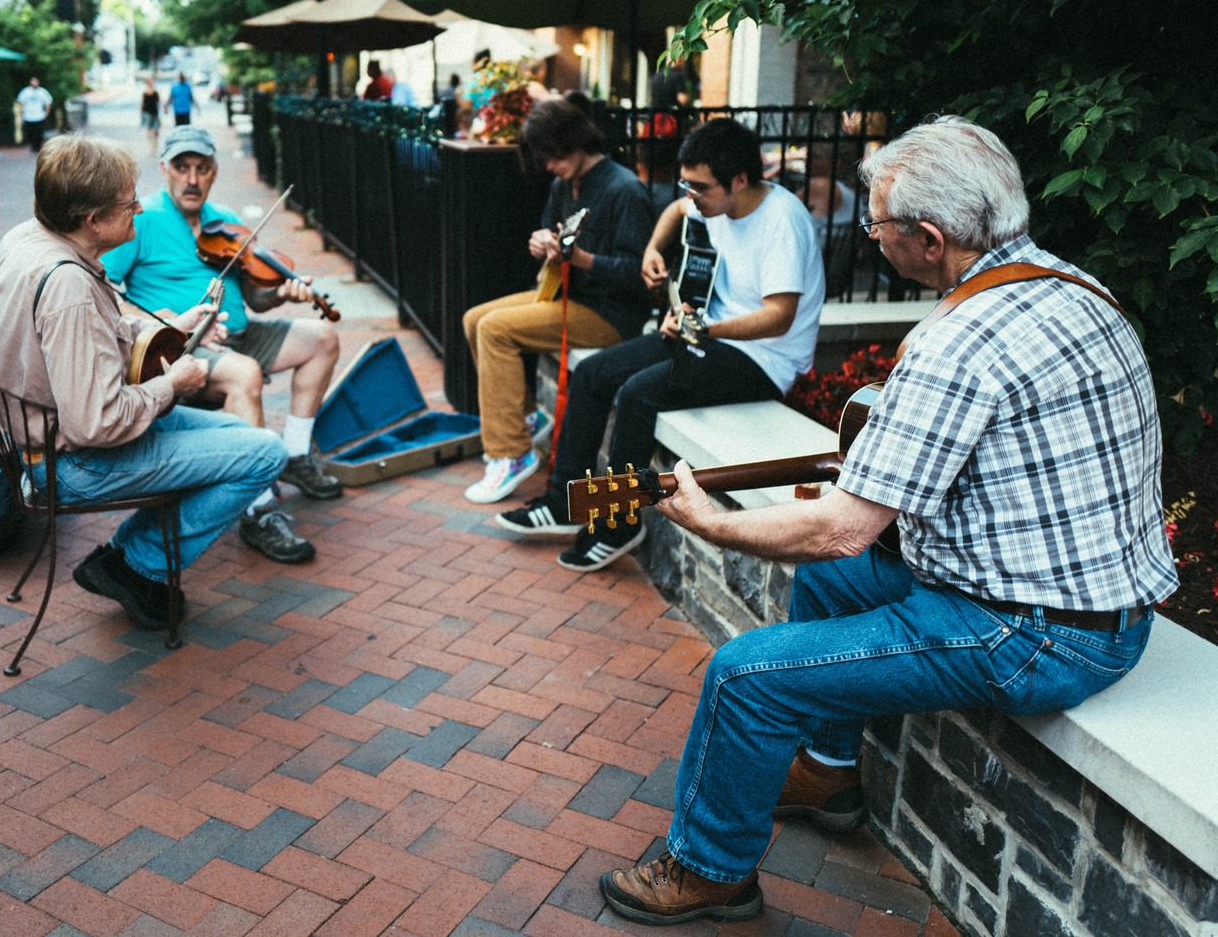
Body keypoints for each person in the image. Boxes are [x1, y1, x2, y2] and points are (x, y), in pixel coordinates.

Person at [598, 116, 1176, 926]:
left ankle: (711, 871)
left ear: (931, 238)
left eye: (877, 226)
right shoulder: (1072, 286)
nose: (871, 239)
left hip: (1036, 632)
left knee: (746, 674)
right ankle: (832, 771)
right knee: (834, 584)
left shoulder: (958, 342)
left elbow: (841, 527)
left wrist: (709, 521)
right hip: (1105, 606)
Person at [0, 133, 287, 630]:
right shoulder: (70, 288)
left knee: (246, 438)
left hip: (49, 439)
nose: (141, 209)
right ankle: (135, 565)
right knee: (267, 456)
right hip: (71, 462)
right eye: (128, 203)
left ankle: (125, 558)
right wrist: (174, 384)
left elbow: (84, 337)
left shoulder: (28, 238)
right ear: (93, 220)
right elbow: (96, 424)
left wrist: (167, 328)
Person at [498, 118, 824, 572]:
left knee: (638, 392)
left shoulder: (782, 222)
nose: (690, 195)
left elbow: (779, 317)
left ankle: (619, 523)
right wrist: (653, 249)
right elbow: (674, 212)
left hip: (763, 359)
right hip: (706, 333)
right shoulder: (715, 203)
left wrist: (705, 330)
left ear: (741, 180)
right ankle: (564, 503)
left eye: (699, 187)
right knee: (592, 374)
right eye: (685, 184)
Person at [100, 125, 343, 565]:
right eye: (181, 167)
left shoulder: (226, 219)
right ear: (164, 170)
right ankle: (258, 510)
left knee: (322, 338)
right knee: (244, 373)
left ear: (213, 173)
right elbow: (107, 292)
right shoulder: (143, 220)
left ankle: (294, 453)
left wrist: (282, 292)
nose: (192, 179)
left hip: (241, 333)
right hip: (183, 347)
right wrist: (171, 323)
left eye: (202, 168)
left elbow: (256, 297)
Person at [460, 97, 653, 504]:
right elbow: (553, 234)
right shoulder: (564, 183)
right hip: (567, 296)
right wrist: (541, 242)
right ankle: (523, 420)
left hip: (610, 314)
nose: (548, 165)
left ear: (576, 140)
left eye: (553, 155)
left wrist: (581, 259)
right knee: (474, 318)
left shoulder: (626, 190)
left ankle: (511, 453)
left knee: (494, 329)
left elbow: (641, 278)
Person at [17, 76, 53, 153]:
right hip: (29, 116)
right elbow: (21, 103)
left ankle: (38, 147)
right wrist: (21, 114)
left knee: (39, 132)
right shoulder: (26, 92)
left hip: (39, 116)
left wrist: (46, 113)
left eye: (35, 81)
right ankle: (33, 146)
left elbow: (48, 102)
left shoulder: (42, 92)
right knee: (31, 132)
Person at [141, 79, 162, 155]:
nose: (151, 82)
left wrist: (163, 108)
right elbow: (142, 103)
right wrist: (141, 113)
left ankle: (155, 142)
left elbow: (159, 102)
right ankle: (150, 145)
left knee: (156, 129)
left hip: (154, 112)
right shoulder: (144, 93)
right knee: (149, 129)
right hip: (147, 112)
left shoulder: (156, 92)